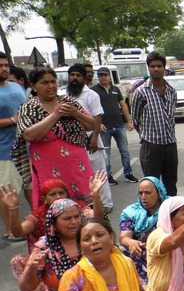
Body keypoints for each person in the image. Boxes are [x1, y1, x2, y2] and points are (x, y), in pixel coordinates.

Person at [14, 68, 97, 209]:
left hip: (78, 167)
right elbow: (28, 135)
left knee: (87, 208)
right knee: (55, 207)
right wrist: (55, 115)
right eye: (44, 83)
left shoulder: (69, 102)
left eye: (53, 81)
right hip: (48, 169)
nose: (51, 86)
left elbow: (92, 125)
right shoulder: (28, 108)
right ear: (34, 86)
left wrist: (76, 113)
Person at [16, 199, 84, 291]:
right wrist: (30, 268)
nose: (74, 222)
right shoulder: (43, 247)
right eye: (67, 218)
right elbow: (26, 289)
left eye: (77, 217)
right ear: (54, 223)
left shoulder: (89, 237)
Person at [64, 63, 113, 212]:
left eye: (78, 75)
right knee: (78, 173)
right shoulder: (64, 94)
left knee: (98, 172)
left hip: (91, 138)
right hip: (72, 141)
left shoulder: (91, 95)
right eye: (72, 75)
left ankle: (106, 204)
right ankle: (85, 204)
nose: (74, 78)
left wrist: (94, 138)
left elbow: (97, 118)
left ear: (84, 78)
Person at [132, 51, 179, 195]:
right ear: (148, 68)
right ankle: (154, 216)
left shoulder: (172, 91)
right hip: (150, 147)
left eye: (159, 66)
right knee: (151, 185)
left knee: (171, 184)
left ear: (164, 68)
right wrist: (146, 136)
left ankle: (171, 214)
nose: (156, 69)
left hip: (170, 145)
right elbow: (135, 119)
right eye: (152, 66)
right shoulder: (141, 92)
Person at [91, 66, 138, 185]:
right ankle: (108, 176)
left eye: (105, 75)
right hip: (104, 127)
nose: (103, 77)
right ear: (98, 77)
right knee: (106, 154)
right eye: (101, 75)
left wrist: (129, 121)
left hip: (119, 125)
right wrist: (98, 123)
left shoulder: (116, 89)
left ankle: (128, 174)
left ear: (109, 76)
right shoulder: (94, 91)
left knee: (125, 151)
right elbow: (91, 110)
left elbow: (123, 105)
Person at [119, 176, 169, 283]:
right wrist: (131, 242)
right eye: (141, 193)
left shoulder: (171, 208)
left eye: (148, 193)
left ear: (159, 193)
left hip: (165, 253)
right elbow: (124, 237)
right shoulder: (131, 212)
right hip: (141, 253)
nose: (143, 197)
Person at [0, 52, 27, 240]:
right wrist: (12, 120)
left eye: (6, 65)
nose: (4, 69)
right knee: (7, 191)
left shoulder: (17, 88)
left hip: (26, 147)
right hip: (4, 151)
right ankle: (10, 230)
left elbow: (26, 111)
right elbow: (16, 117)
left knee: (29, 188)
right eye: (0, 66)